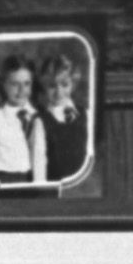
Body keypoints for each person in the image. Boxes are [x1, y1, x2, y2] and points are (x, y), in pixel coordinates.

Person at [0, 55, 45, 186]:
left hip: (36, 182)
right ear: (3, 85)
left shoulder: (39, 117)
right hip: (7, 182)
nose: (22, 90)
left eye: (26, 83)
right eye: (14, 84)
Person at [37, 52, 90, 186]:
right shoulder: (41, 121)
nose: (59, 92)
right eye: (52, 86)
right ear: (44, 86)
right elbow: (39, 166)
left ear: (74, 84)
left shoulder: (86, 114)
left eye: (64, 84)